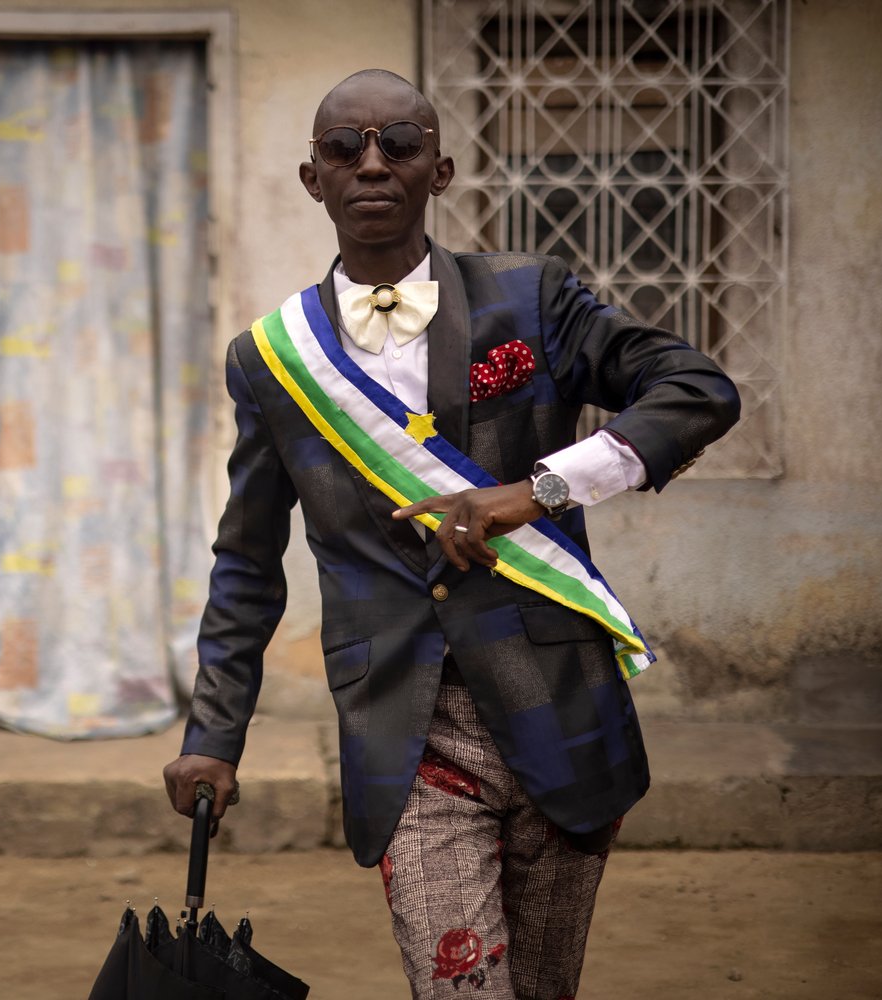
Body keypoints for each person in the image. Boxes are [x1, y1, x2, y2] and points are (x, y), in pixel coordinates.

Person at [161, 69, 740, 999]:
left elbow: (698, 391)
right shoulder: (269, 361)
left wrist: (544, 487)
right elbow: (247, 562)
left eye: (402, 142)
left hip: (556, 704)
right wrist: (213, 735)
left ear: (443, 168)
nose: (374, 163)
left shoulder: (531, 300)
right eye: (346, 148)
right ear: (314, 178)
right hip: (404, 729)